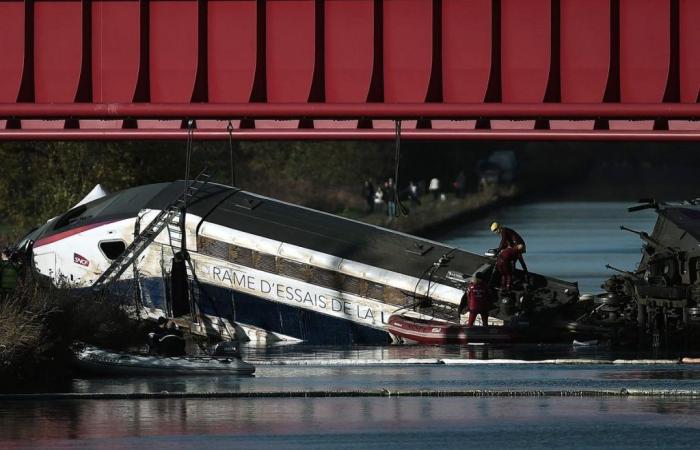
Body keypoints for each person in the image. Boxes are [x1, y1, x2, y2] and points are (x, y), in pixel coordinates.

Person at [491, 221, 528, 290]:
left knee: (511, 261)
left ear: (499, 227)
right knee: (518, 261)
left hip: (519, 246)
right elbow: (505, 244)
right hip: (518, 246)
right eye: (493, 231)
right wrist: (498, 249)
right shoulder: (506, 231)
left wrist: (498, 251)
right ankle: (526, 275)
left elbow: (503, 241)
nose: (495, 232)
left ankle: (513, 279)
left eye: (495, 230)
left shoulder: (504, 230)